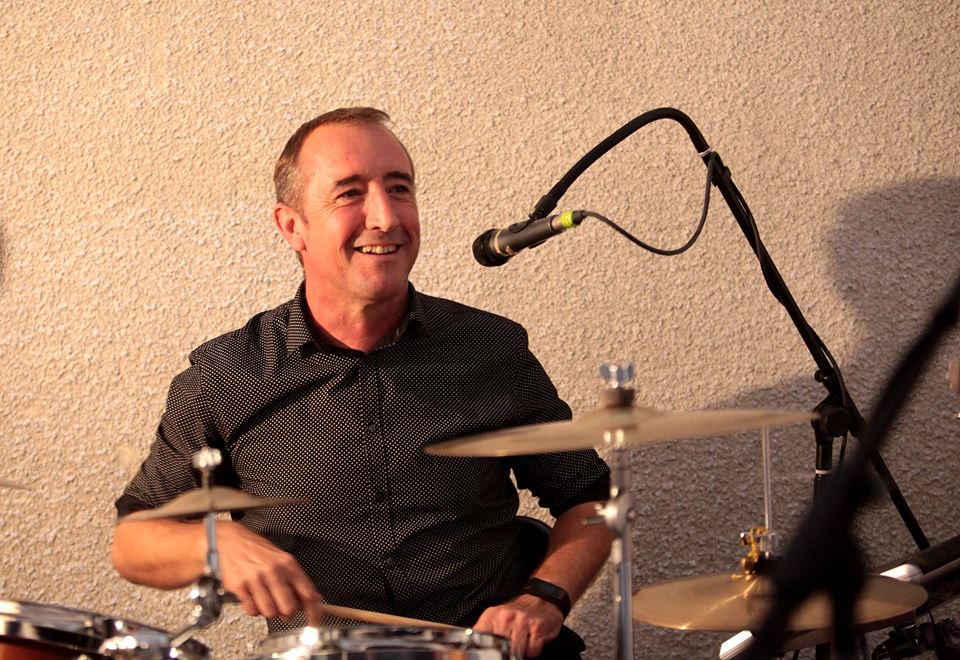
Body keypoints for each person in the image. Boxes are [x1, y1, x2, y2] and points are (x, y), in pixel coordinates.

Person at [111, 107, 612, 659]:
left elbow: (591, 500)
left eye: (399, 189)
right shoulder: (225, 377)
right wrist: (214, 543)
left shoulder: (491, 349)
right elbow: (132, 542)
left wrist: (544, 598)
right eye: (350, 193)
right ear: (292, 226)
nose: (385, 217)